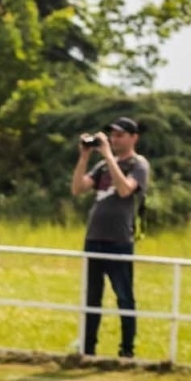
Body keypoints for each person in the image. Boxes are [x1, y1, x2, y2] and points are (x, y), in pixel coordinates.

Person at [71, 116, 149, 358]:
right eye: (112, 135)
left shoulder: (138, 164)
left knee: (124, 297)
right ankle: (88, 349)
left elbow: (126, 189)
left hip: (119, 241)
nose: (114, 139)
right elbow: (77, 188)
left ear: (133, 137)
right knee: (91, 297)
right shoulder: (103, 166)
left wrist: (106, 155)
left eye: (119, 135)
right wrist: (84, 156)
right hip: (94, 238)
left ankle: (126, 351)